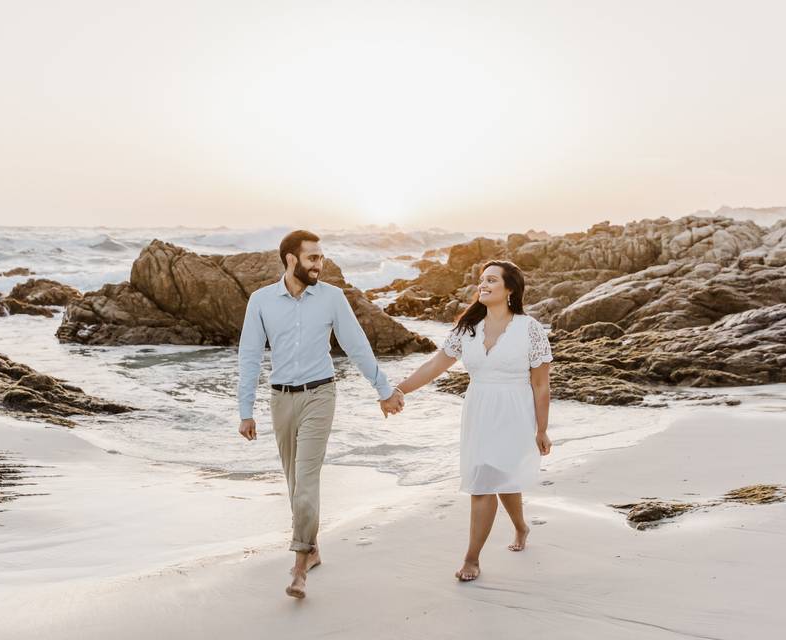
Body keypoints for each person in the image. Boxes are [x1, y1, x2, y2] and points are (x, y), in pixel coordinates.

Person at [236, 229, 404, 599]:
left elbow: (355, 344)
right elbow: (249, 356)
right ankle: (312, 549)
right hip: (280, 399)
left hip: (320, 395)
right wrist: (245, 410)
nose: (319, 264)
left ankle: (298, 566)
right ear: (291, 259)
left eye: (321, 257)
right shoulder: (261, 301)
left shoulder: (332, 298)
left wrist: (384, 390)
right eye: (313, 257)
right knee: (295, 484)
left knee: (307, 479)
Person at [394, 260, 552, 581]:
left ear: (510, 289)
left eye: (491, 280)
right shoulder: (468, 328)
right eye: (481, 280)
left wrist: (542, 429)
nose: (483, 285)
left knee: (491, 478)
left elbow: (540, 384)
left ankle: (472, 558)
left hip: (514, 412)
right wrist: (399, 388)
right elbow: (435, 365)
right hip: (479, 409)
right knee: (492, 475)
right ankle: (521, 527)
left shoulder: (529, 329)